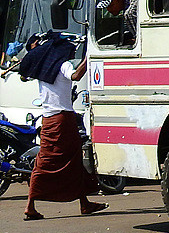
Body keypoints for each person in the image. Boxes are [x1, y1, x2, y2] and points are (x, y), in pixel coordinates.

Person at [20, 32, 107, 220]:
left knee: (62, 160)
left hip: (49, 120)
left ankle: (83, 203)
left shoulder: (43, 67)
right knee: (53, 161)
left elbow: (23, 75)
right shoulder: (62, 64)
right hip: (62, 120)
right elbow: (76, 76)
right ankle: (31, 206)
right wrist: (90, 57)